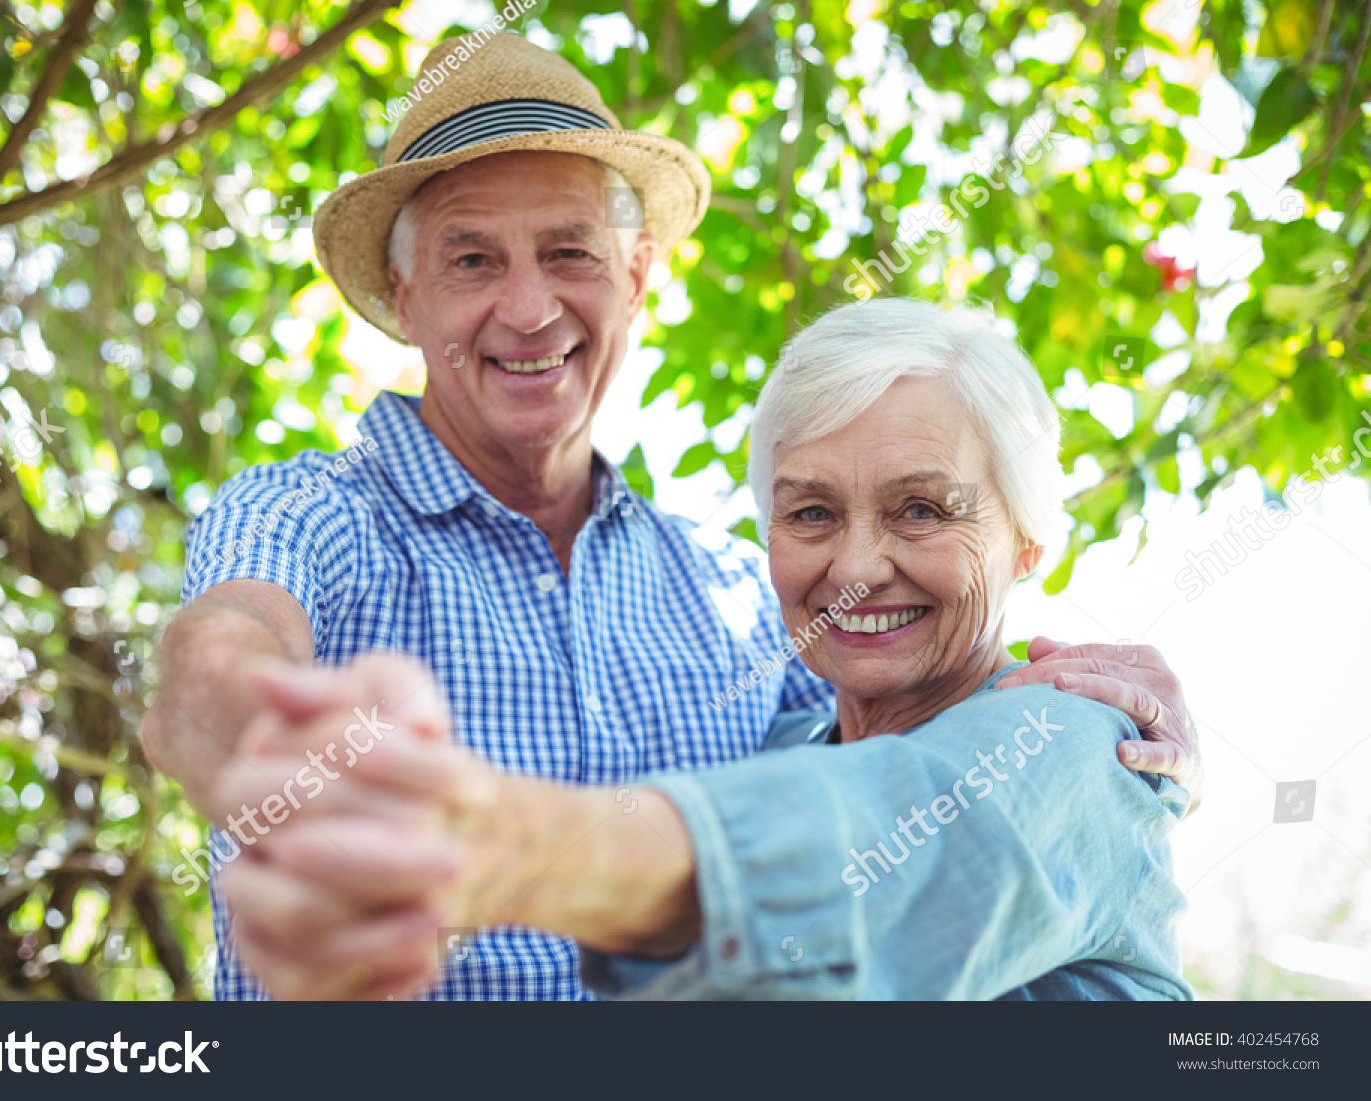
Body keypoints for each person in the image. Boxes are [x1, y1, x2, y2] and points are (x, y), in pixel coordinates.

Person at [141, 32, 1202, 1001]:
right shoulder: (308, 512)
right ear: (402, 290)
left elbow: (915, 788)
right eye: (473, 259)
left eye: (569, 252)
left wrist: (1134, 733)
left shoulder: (742, 596)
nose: (527, 308)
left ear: (637, 275)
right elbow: (215, 664)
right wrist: (272, 755)